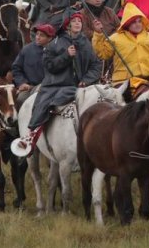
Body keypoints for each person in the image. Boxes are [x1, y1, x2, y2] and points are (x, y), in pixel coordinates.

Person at [15, 12, 102, 153]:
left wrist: (86, 80)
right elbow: (50, 66)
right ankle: (31, 136)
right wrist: (66, 55)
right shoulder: (54, 44)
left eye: (79, 21)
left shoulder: (86, 43)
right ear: (67, 25)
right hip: (56, 86)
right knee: (43, 106)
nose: (77, 23)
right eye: (74, 21)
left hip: (82, 86)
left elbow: (96, 65)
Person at [92, 3, 149, 98]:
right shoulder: (115, 38)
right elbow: (102, 54)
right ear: (127, 24)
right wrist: (98, 33)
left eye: (139, 21)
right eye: (134, 22)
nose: (138, 24)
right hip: (122, 83)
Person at [11, 23, 56, 108]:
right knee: (20, 100)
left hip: (49, 88)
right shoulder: (26, 50)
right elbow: (16, 68)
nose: (37, 37)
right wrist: (21, 83)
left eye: (41, 35)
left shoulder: (56, 51)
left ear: (49, 38)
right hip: (29, 88)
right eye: (37, 34)